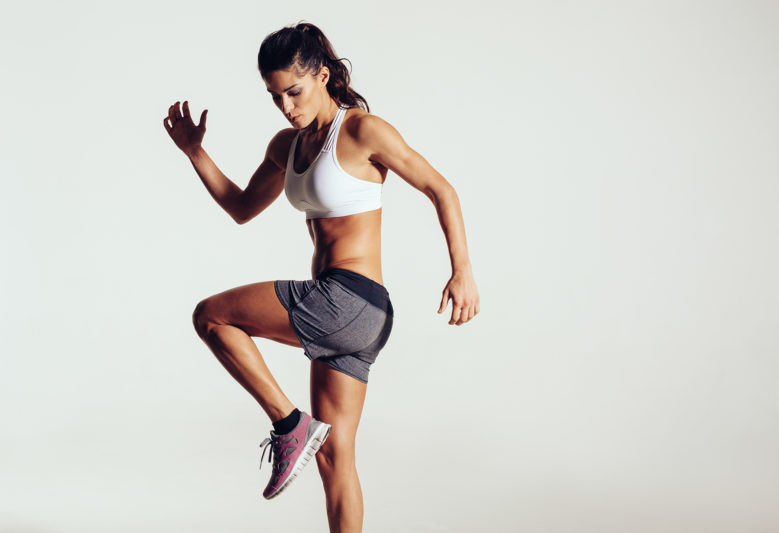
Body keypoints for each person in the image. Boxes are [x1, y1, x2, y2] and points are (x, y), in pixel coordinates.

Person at [163, 21, 479, 532]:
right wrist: (195, 152)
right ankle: (303, 438)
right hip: (355, 317)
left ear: (323, 76)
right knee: (334, 458)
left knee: (211, 316)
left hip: (349, 299)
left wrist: (462, 271)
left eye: (294, 91)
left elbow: (441, 189)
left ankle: (289, 425)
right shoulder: (286, 146)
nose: (286, 106)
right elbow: (241, 208)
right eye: (275, 97)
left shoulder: (361, 131)